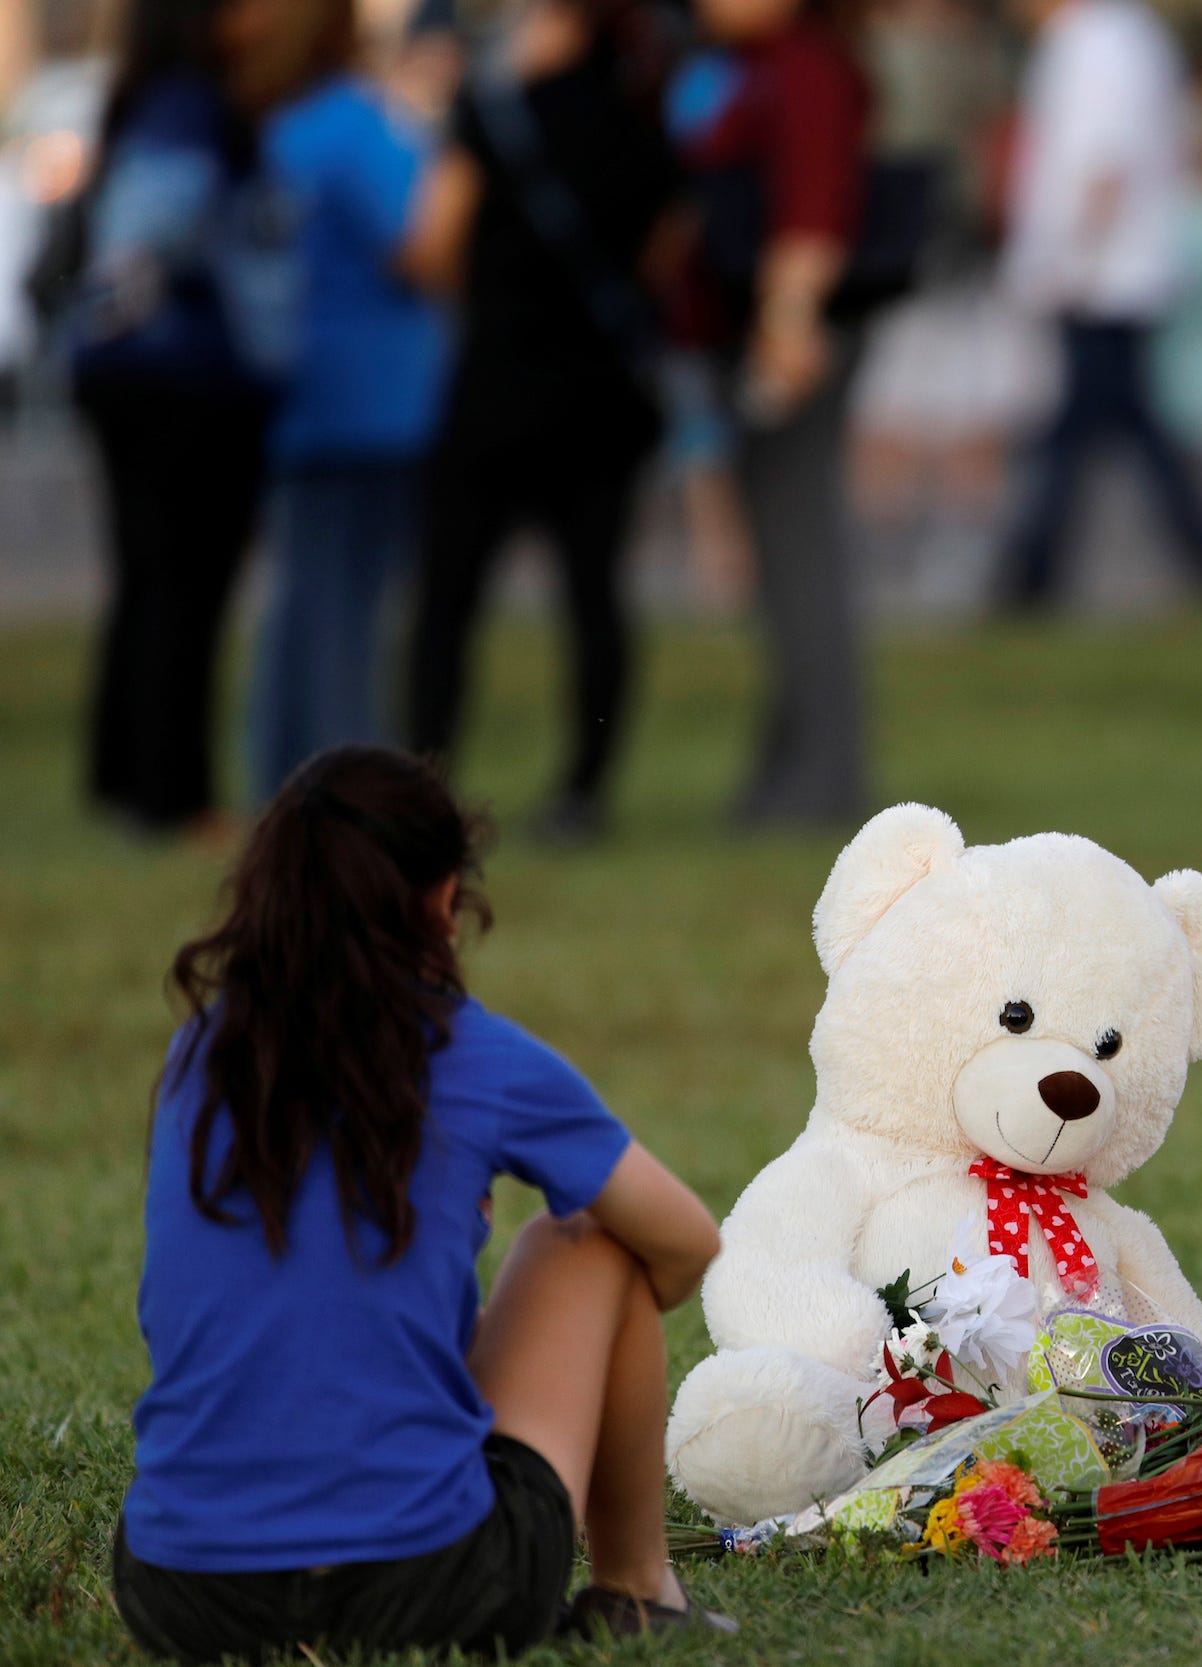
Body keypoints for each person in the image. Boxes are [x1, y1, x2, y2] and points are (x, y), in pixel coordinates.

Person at [112, 746, 730, 1661]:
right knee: (596, 1242)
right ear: (443, 899)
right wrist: (539, 1359)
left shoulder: (202, 1052)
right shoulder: (474, 1052)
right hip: (431, 1588)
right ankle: (636, 1588)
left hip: (181, 1593)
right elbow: (685, 1240)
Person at [402, 0, 683, 845]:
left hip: (494, 386)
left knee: (447, 600)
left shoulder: (492, 116)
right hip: (599, 398)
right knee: (595, 598)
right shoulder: (646, 119)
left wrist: (495, 303)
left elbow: (431, 243)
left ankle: (426, 790)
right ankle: (582, 791)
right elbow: (666, 257)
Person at [66, 0, 281, 841]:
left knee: (146, 579)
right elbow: (155, 224)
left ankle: (127, 777)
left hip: (127, 375)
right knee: (185, 586)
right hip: (185, 376)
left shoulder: (139, 100)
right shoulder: (193, 108)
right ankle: (172, 793)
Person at [675, 0, 874, 827]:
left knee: (801, 557)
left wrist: (787, 320)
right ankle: (787, 771)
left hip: (783, 334)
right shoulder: (750, 64)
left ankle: (821, 780)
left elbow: (814, 205)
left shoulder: (805, 68)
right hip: (750, 328)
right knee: (783, 560)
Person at [244, 0, 446, 804]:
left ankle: (286, 780)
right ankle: (344, 796)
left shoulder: (281, 125)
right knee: (347, 615)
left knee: (302, 603)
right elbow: (418, 247)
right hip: (377, 397)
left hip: (304, 392)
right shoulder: (356, 127)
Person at [995, 0, 1202, 610]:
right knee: (1121, 422)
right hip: (1105, 268)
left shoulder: (1101, 39)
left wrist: (1068, 261)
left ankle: (1029, 578)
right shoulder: (1103, 34)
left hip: (1104, 272)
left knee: (1075, 432)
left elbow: (1104, 161)